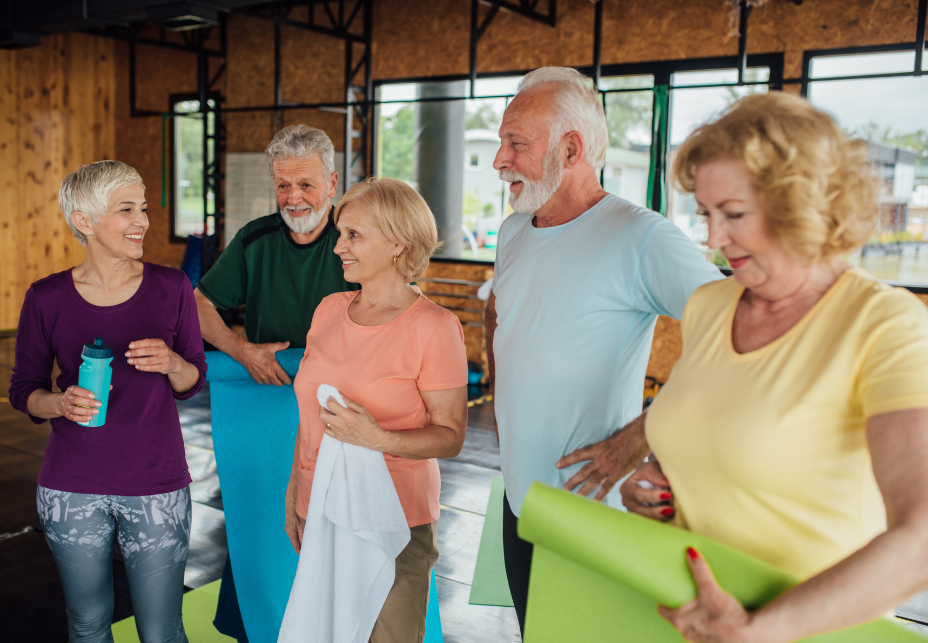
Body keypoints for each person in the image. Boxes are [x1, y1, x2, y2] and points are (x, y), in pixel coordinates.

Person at [619, 92, 928, 642]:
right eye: (706, 215)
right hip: (693, 618)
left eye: (734, 215)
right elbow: (716, 437)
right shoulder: (710, 306)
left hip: (813, 629)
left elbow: (921, 539)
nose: (713, 240)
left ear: (802, 204)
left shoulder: (884, 324)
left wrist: (762, 630)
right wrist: (661, 487)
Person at [484, 66, 723, 633]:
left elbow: (738, 337)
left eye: (515, 143)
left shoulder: (640, 236)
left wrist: (641, 435)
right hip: (520, 501)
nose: (499, 160)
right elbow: (500, 315)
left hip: (590, 510)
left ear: (571, 149)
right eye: (500, 142)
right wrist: (499, 395)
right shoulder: (513, 231)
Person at [8, 161, 207, 643]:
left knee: (161, 630)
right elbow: (24, 389)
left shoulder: (171, 287)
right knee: (88, 623)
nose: (142, 220)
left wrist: (171, 362)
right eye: (126, 209)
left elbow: (193, 378)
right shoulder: (46, 297)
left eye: (142, 208)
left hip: (156, 483)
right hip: (71, 487)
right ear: (84, 220)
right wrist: (60, 404)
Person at [193, 125, 358, 641]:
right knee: (260, 519)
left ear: (332, 183)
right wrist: (239, 348)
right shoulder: (256, 238)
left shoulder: (354, 238)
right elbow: (197, 305)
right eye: (283, 185)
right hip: (267, 404)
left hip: (343, 408)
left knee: (337, 530)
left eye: (305, 184)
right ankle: (253, 623)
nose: (293, 198)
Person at [285, 177, 468, 643]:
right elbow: (311, 419)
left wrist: (380, 439)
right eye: (340, 234)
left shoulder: (434, 327)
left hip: (394, 519)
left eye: (354, 236)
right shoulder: (329, 310)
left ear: (397, 244)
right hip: (321, 505)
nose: (337, 248)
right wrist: (295, 493)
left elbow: (451, 436)